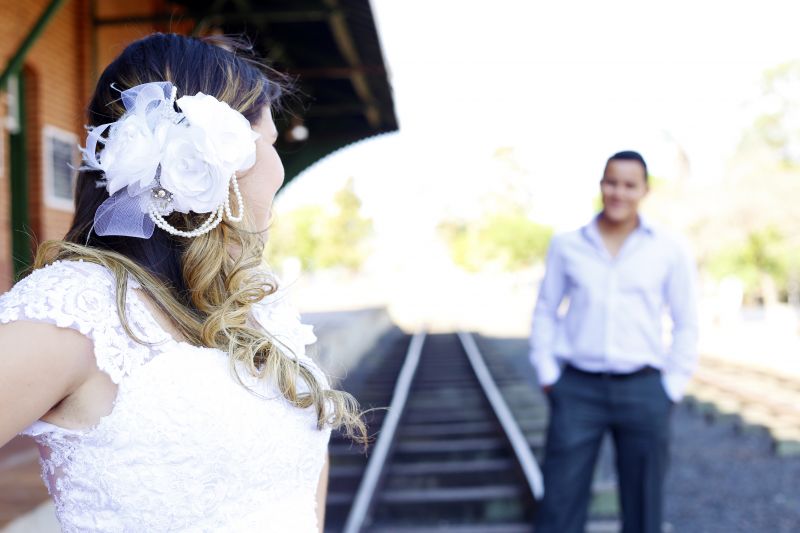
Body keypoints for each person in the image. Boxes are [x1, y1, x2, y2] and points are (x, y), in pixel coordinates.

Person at [0, 33, 364, 532]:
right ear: (227, 160)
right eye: (271, 143)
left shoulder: (257, 306)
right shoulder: (80, 310)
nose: (278, 170)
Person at [530, 150, 698, 533]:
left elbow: (686, 321)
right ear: (601, 184)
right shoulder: (567, 245)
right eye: (611, 182)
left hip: (644, 389)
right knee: (559, 504)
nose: (618, 192)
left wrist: (672, 387)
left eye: (629, 185)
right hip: (577, 389)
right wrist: (547, 373)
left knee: (644, 508)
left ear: (644, 190)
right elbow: (545, 310)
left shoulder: (669, 248)